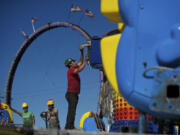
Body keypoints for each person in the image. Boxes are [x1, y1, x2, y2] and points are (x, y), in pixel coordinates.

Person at [64, 48, 89, 130]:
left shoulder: (73, 68)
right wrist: (86, 61)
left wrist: (82, 52)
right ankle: (69, 127)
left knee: (72, 110)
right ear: (70, 64)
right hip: (71, 94)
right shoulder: (71, 71)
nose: (75, 62)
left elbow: (80, 62)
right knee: (72, 111)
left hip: (73, 94)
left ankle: (69, 126)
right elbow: (80, 69)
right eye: (73, 62)